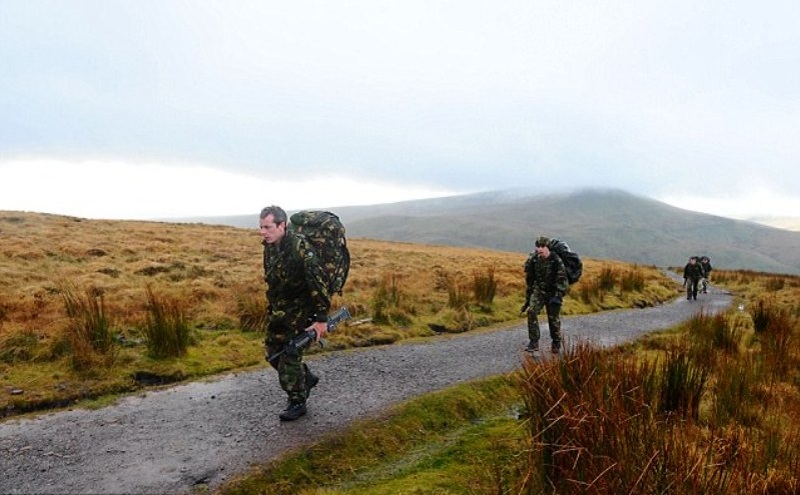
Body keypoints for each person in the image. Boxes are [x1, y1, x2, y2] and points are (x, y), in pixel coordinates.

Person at [259, 205, 331, 421]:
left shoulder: (301, 249)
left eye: (268, 227)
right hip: (281, 313)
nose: (263, 232)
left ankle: (297, 401)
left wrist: (321, 320)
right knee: (273, 355)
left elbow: (318, 285)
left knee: (289, 355)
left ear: (282, 225)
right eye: (261, 227)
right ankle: (305, 378)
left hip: (302, 313)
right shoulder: (270, 247)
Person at [522, 236, 569, 356]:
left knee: (553, 318)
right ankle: (534, 342)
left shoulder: (556, 261)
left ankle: (556, 342)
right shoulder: (534, 260)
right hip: (539, 291)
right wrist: (530, 293)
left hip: (553, 292)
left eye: (543, 246)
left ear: (548, 248)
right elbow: (530, 277)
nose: (540, 249)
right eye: (538, 246)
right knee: (532, 312)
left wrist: (558, 296)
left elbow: (562, 280)